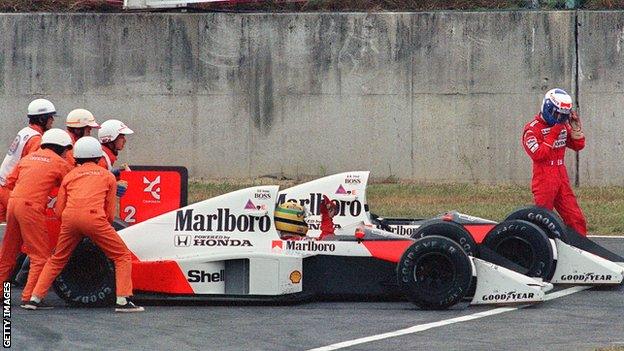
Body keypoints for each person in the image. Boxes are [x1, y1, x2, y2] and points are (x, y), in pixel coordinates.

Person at [25, 136, 144, 312]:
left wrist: (71, 225)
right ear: (98, 157)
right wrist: (98, 231)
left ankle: (34, 298)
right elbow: (110, 213)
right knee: (122, 256)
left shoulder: (70, 175)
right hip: (95, 218)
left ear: (77, 157)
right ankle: (123, 300)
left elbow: (59, 210)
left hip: (69, 219)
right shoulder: (107, 176)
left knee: (57, 259)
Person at [0, 129, 73, 305]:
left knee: (8, 253)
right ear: (61, 149)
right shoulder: (59, 162)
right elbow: (72, 181)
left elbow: (9, 181)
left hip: (13, 203)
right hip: (31, 208)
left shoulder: (27, 159)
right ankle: (29, 297)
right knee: (40, 255)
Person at [522, 88, 587, 236]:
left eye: (563, 115)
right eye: (556, 114)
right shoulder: (532, 130)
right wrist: (554, 131)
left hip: (561, 176)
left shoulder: (563, 124)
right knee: (543, 220)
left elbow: (578, 146)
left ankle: (582, 250)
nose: (559, 118)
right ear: (547, 108)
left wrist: (576, 129)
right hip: (544, 178)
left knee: (575, 218)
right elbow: (539, 155)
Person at [0, 99, 57, 222]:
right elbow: (32, 169)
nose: (53, 120)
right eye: (50, 117)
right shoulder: (37, 139)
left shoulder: (25, 132)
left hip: (3, 183)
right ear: (42, 119)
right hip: (11, 188)